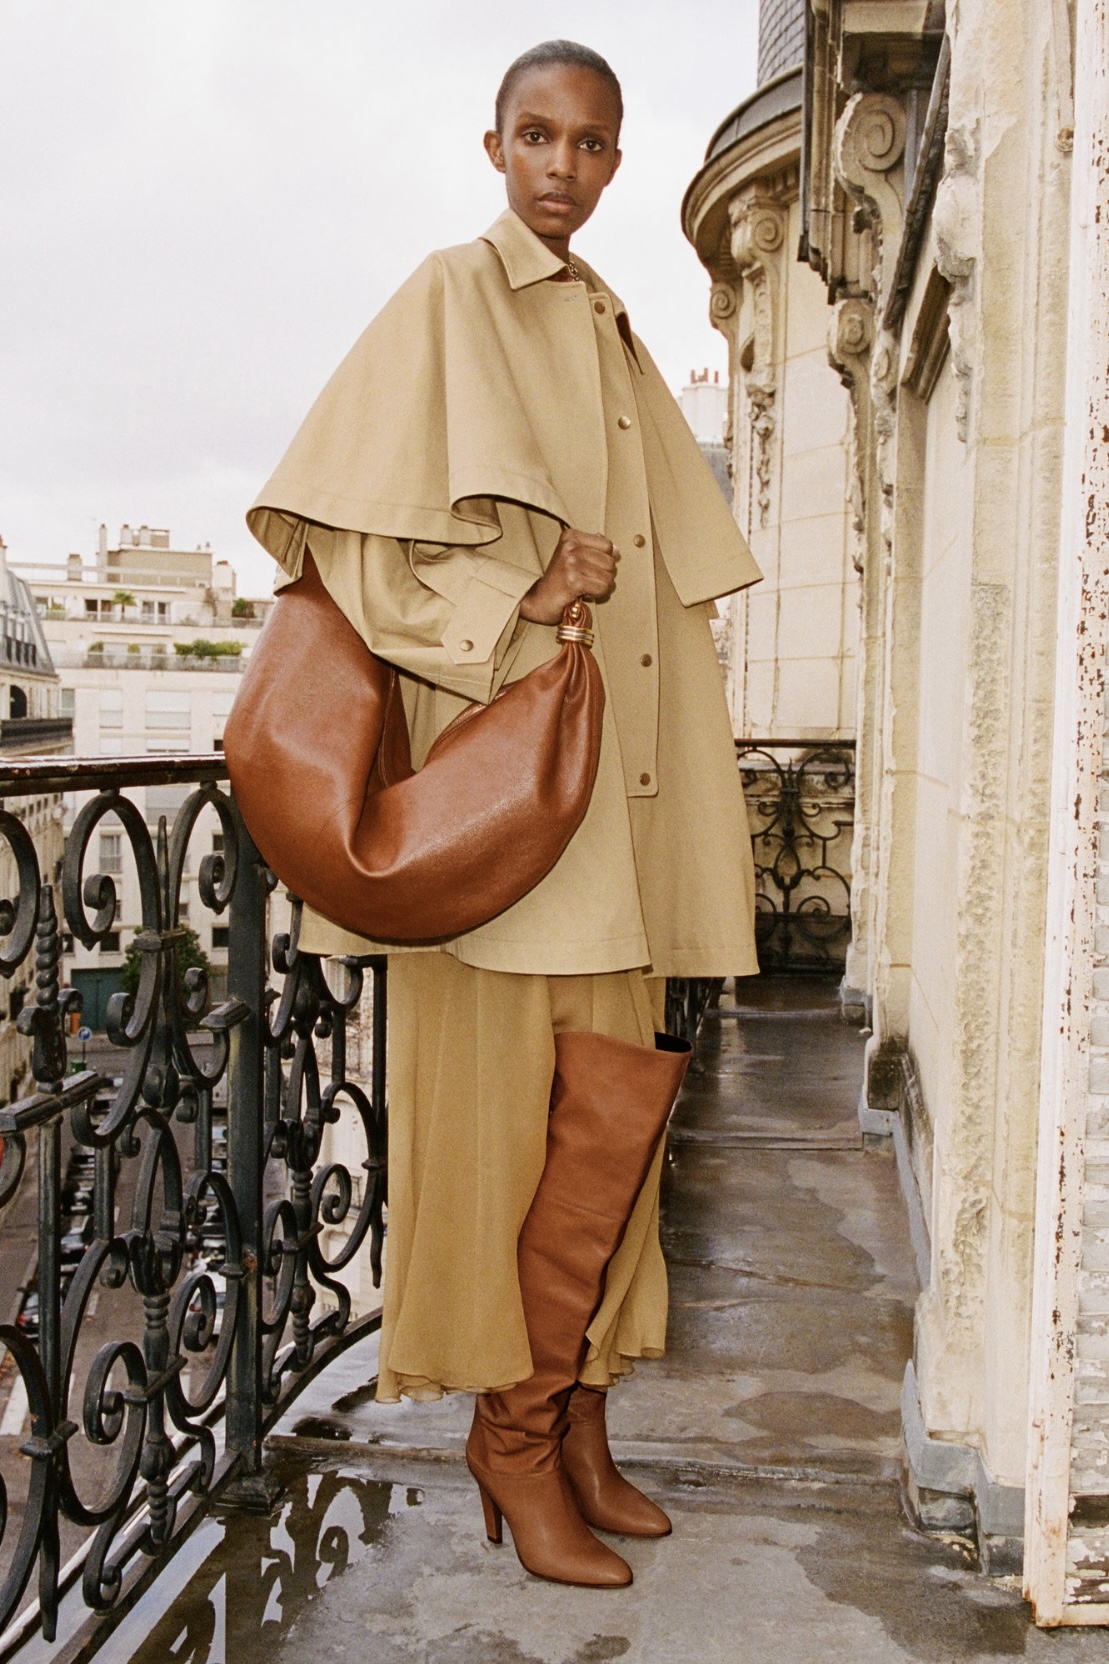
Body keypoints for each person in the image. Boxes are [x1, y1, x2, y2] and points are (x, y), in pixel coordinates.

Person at [246, 39, 761, 1588]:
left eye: (589, 144)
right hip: (497, 823)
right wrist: (515, 594)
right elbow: (348, 544)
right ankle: (511, 1443)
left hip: (611, 812)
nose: (561, 167)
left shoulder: (604, 321)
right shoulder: (448, 296)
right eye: (536, 135)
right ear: (492, 146)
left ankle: (575, 1418)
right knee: (492, 1152)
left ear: (614, 163)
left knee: (609, 1133)